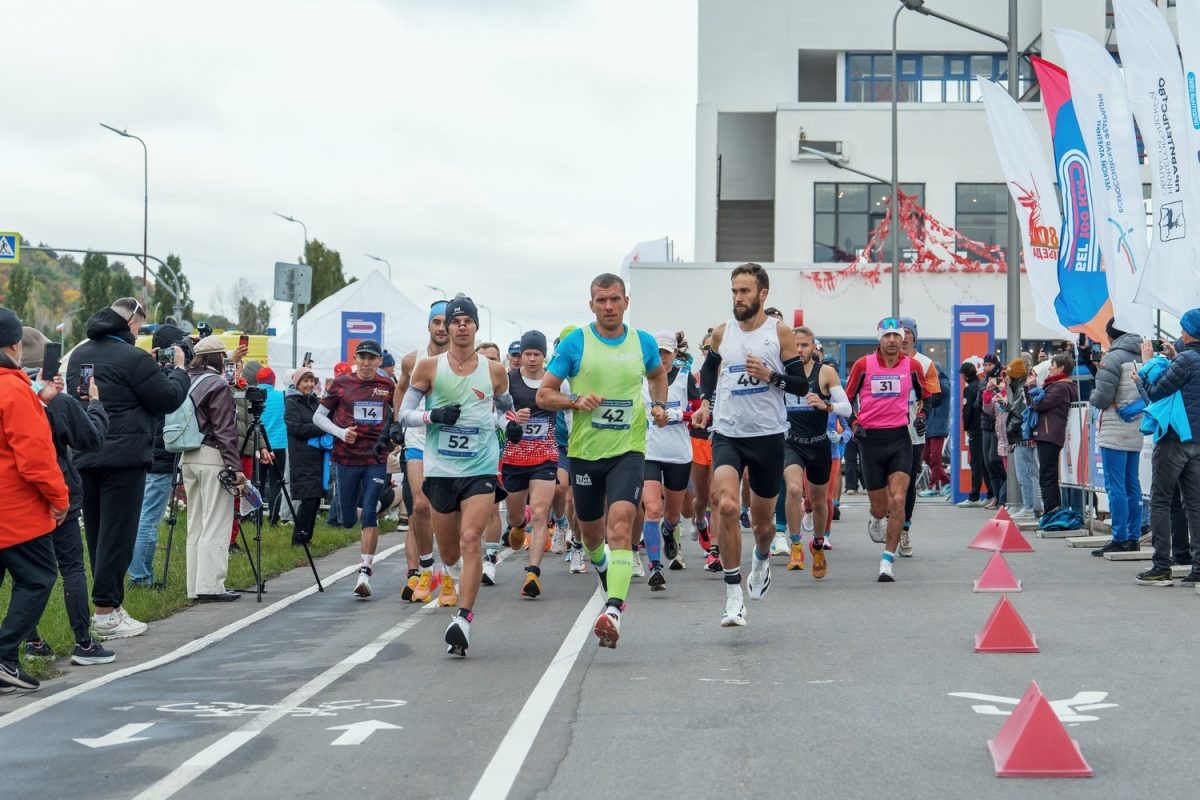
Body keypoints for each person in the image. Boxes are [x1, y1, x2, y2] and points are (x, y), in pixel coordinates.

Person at [538, 273, 668, 648]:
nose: (608, 306)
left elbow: (658, 374)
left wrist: (658, 404)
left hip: (628, 449)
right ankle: (602, 565)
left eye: (614, 299)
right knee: (591, 536)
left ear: (626, 301)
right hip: (584, 454)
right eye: (601, 300)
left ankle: (613, 609)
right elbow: (545, 395)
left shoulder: (641, 342)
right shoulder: (576, 343)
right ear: (591, 304)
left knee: (622, 525)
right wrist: (574, 401)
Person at [397, 295, 515, 656]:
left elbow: (506, 412)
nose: (462, 326)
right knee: (449, 552)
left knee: (469, 537)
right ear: (446, 328)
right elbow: (404, 414)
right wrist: (434, 417)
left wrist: (512, 427)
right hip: (441, 469)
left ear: (476, 327)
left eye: (468, 321)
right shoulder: (428, 368)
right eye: (455, 321)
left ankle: (463, 619)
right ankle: (454, 577)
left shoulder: (494, 371)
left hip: (479, 466)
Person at [67, 298, 189, 640]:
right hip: (125, 457)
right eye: (140, 324)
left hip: (87, 451)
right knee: (118, 535)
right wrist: (178, 369)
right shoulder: (133, 358)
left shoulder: (79, 354)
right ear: (131, 321)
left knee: (97, 533)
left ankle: (109, 605)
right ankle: (106, 612)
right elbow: (167, 398)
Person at [692, 263, 807, 626]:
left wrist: (771, 376)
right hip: (728, 434)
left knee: (762, 526)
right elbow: (708, 371)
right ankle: (732, 594)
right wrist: (707, 403)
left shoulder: (780, 333)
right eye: (734, 291)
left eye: (744, 291)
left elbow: (801, 386)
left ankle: (760, 559)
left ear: (762, 294)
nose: (738, 298)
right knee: (725, 505)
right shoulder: (723, 333)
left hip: (768, 436)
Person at [20, 328, 114, 665]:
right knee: (71, 566)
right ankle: (84, 643)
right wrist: (95, 405)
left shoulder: (12, 392)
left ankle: (30, 640)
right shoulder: (58, 399)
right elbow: (90, 439)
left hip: (19, 495)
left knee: (28, 573)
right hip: (56, 490)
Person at [0, 307, 70, 691]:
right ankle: (5, 654)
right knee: (39, 577)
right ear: (14, 345)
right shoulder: (11, 388)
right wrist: (58, 498)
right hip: (15, 508)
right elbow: (34, 457)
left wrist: (39, 400)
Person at [845, 317, 926, 581]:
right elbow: (846, 401)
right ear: (879, 338)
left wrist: (922, 417)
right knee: (880, 507)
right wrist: (854, 424)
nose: (892, 341)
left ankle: (887, 561)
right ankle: (876, 517)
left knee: (899, 499)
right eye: (887, 336)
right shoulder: (862, 365)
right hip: (870, 441)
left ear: (903, 338)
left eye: (896, 336)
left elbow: (925, 396)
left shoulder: (912, 366)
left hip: (900, 438)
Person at [314, 339, 395, 598]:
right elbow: (317, 417)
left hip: (375, 457)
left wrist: (391, 436)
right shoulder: (341, 384)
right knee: (348, 519)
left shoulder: (387, 385)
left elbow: (398, 412)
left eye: (372, 358)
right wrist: (340, 433)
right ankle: (370, 511)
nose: (366, 363)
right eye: (362, 357)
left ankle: (365, 571)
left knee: (369, 511)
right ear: (356, 359)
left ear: (379, 361)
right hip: (346, 458)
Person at [1136, 311, 1200, 586]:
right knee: (1195, 504)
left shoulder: (1185, 360)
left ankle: (1162, 566)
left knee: (1160, 500)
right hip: (1197, 441)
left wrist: (1144, 369)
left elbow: (1156, 393)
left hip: (1174, 439)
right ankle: (1198, 567)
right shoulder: (1186, 358)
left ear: (1186, 331)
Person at [781, 327, 849, 579]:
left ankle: (818, 545)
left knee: (820, 502)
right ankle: (796, 544)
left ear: (813, 348)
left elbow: (847, 408)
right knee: (795, 489)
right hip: (792, 443)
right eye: (795, 345)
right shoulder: (782, 372)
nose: (799, 350)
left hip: (819, 443)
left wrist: (826, 404)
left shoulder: (826, 372)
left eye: (804, 345)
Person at [129, 325, 192, 587]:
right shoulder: (165, 379)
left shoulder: (143, 373)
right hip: (160, 455)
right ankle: (140, 577)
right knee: (148, 518)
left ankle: (138, 573)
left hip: (146, 452)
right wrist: (179, 369)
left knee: (142, 515)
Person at [396, 302, 450, 602]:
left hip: (449, 443)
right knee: (419, 505)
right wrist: (395, 422)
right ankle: (426, 569)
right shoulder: (411, 360)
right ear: (428, 326)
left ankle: (451, 570)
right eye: (436, 322)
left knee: (447, 511)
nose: (441, 327)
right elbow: (402, 389)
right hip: (417, 437)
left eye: (446, 322)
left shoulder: (464, 361)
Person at [500, 329, 559, 598]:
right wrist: (513, 418)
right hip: (513, 458)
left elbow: (567, 409)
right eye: (527, 354)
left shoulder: (554, 381)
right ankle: (516, 524)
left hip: (545, 457)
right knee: (515, 516)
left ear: (544, 357)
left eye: (537, 354)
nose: (532, 359)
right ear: (520, 356)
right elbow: (496, 411)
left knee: (540, 513)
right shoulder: (509, 380)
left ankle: (532, 573)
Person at [640, 330, 700, 591]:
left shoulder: (686, 378)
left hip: (678, 453)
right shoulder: (640, 378)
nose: (662, 357)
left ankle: (669, 531)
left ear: (676, 354)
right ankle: (655, 567)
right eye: (659, 352)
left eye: (667, 352)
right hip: (648, 452)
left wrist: (674, 414)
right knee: (653, 509)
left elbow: (700, 413)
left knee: (673, 514)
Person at [1089, 320, 1146, 556]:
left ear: (1111, 336)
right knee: (1133, 484)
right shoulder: (1144, 355)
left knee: (1116, 486)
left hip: (1114, 426)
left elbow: (1102, 398)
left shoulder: (1112, 358)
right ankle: (1133, 537)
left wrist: (1094, 392)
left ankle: (1120, 536)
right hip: (1137, 426)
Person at [897, 317, 942, 557]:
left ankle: (904, 530)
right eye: (899, 332)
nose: (904, 337)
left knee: (909, 482)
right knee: (887, 481)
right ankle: (887, 517)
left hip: (914, 432)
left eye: (908, 332)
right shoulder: (886, 361)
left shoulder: (925, 364)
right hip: (887, 429)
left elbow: (933, 397)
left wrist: (923, 415)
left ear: (914, 336)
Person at [1027, 352, 1078, 520]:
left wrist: (1032, 387)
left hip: (1050, 434)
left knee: (1047, 476)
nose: (1049, 368)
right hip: (1048, 433)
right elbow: (1034, 404)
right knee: (1047, 475)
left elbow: (1039, 404)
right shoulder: (1057, 385)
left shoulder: (1061, 387)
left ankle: (1051, 512)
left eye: (1053, 366)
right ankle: (1052, 511)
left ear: (1061, 368)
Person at [284, 366, 328, 547]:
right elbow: (296, 428)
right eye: (305, 381)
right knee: (308, 499)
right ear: (297, 384)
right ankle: (299, 538)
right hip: (302, 455)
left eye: (311, 381)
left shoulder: (314, 401)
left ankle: (306, 537)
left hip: (316, 455)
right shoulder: (292, 403)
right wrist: (321, 426)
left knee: (315, 498)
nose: (309, 385)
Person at [1003, 357, 1041, 520]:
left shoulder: (1020, 390)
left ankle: (1029, 507)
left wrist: (1012, 438)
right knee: (1032, 472)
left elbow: (1017, 416)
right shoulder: (1022, 388)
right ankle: (1035, 506)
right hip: (1029, 435)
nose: (1004, 377)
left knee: (1023, 473)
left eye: (1007, 374)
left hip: (1022, 437)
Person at [255, 367, 290, 526]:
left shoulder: (254, 398)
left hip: (258, 445)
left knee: (258, 483)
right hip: (278, 445)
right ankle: (273, 519)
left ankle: (257, 519)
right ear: (273, 381)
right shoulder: (281, 396)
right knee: (276, 482)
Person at [956, 361, 988, 508]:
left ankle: (974, 495)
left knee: (976, 463)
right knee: (985, 462)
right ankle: (991, 494)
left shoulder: (969, 389)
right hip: (985, 427)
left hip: (975, 429)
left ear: (965, 375)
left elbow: (967, 411)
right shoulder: (982, 384)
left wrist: (967, 427)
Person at [918, 361, 952, 496]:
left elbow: (945, 390)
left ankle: (933, 486)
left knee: (935, 458)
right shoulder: (928, 384)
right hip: (928, 426)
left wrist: (933, 379)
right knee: (926, 456)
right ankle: (946, 481)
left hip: (939, 427)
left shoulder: (944, 382)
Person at [978, 354, 1005, 510]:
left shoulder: (1002, 377)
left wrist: (996, 390)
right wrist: (985, 393)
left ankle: (1004, 495)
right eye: (985, 365)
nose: (987, 368)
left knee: (995, 460)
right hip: (985, 424)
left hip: (999, 425)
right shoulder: (983, 381)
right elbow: (979, 404)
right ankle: (996, 496)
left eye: (989, 365)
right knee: (988, 463)